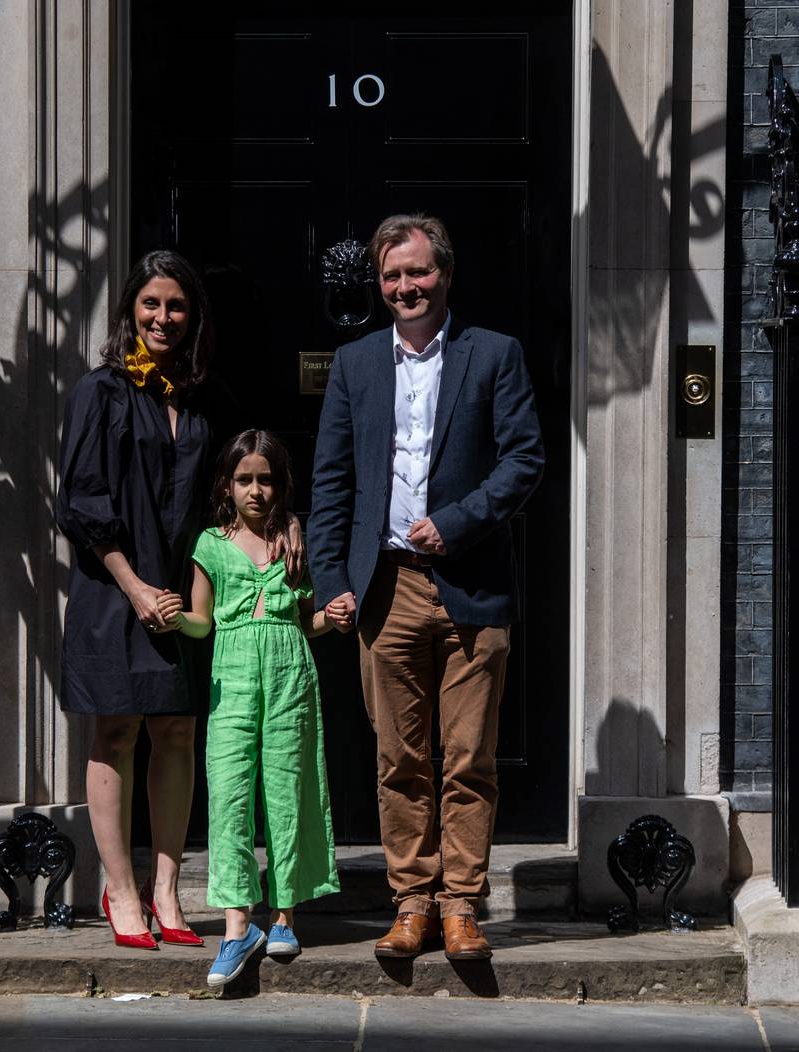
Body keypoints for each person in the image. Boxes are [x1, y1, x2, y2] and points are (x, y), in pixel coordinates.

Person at [308, 214, 544, 961]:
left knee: (470, 757)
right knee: (399, 760)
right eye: (391, 277)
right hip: (387, 589)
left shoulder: (495, 355)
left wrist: (459, 522)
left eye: (417, 273)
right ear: (378, 284)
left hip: (471, 584)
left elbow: (524, 460)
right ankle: (411, 903)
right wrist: (332, 581)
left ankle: (462, 907)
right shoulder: (355, 364)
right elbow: (332, 482)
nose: (405, 288)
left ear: (445, 274)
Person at [56, 251, 302, 950]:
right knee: (116, 732)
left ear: (193, 317)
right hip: (115, 591)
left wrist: (284, 521)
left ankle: (168, 889)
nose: (163, 318)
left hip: (187, 589)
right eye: (151, 304)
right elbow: (79, 502)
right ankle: (121, 890)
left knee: (175, 732)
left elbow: (242, 483)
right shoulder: (98, 393)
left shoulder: (203, 397)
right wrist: (134, 587)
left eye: (177, 307)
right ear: (131, 310)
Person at [175, 430, 351, 989]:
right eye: (245, 479)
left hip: (289, 670)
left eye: (266, 479)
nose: (256, 490)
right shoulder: (209, 544)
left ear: (280, 485)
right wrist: (177, 617)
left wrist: (334, 616)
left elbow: (306, 621)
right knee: (228, 792)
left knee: (287, 789)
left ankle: (283, 916)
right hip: (232, 673)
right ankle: (235, 927)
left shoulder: (295, 543)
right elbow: (203, 622)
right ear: (227, 484)